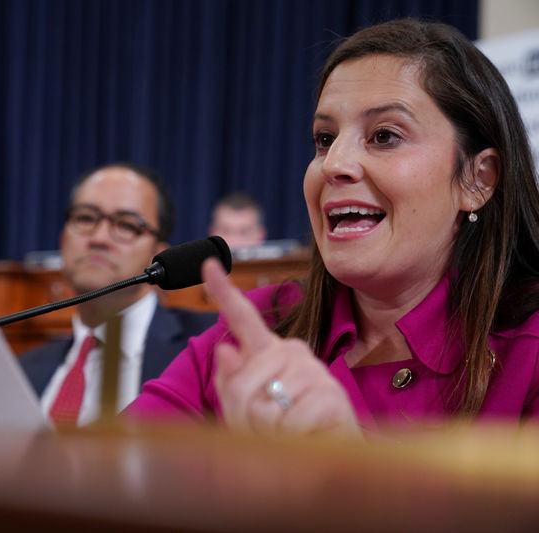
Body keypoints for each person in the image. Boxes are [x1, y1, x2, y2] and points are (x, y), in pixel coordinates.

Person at [127, 18, 539, 436]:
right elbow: (106, 475)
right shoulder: (257, 327)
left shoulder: (530, 351)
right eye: (324, 139)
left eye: (384, 135)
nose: (334, 164)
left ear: (477, 179)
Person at [19, 163, 217, 426]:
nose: (99, 238)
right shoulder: (21, 371)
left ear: (158, 253)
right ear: (62, 238)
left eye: (126, 225)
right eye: (86, 218)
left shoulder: (208, 348)